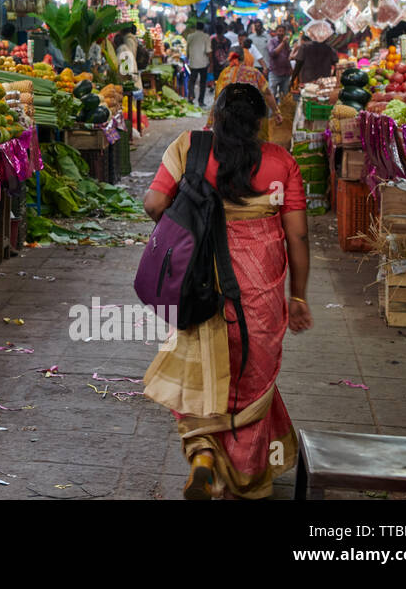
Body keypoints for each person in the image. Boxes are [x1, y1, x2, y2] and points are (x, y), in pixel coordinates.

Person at [142, 82, 313, 500]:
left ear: (215, 115)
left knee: (199, 366)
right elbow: (299, 237)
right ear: (259, 123)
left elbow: (152, 204)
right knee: (251, 376)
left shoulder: (190, 147)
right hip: (260, 291)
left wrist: (194, 200)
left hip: (199, 284)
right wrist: (299, 296)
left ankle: (202, 454)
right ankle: (245, 478)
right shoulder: (281, 162)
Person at [208, 49, 282, 137]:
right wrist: (276, 112)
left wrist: (211, 121)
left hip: (228, 119)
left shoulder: (224, 74)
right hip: (250, 118)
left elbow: (218, 99)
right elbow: (268, 94)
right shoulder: (254, 73)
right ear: (244, 58)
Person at [185, 21, 211, 106]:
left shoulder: (190, 36)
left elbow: (187, 50)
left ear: (196, 27)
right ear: (203, 28)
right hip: (203, 63)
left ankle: (191, 96)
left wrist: (188, 58)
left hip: (193, 62)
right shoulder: (206, 37)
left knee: (192, 81)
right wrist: (210, 61)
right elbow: (208, 51)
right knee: (202, 83)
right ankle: (201, 101)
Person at [268, 27, 293, 97]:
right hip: (275, 72)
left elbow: (288, 56)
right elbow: (273, 54)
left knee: (284, 96)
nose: (281, 33)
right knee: (272, 95)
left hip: (286, 73)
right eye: (279, 31)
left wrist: (290, 68)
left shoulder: (286, 43)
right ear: (276, 32)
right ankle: (272, 108)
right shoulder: (272, 41)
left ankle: (281, 108)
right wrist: (283, 43)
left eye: (283, 31)